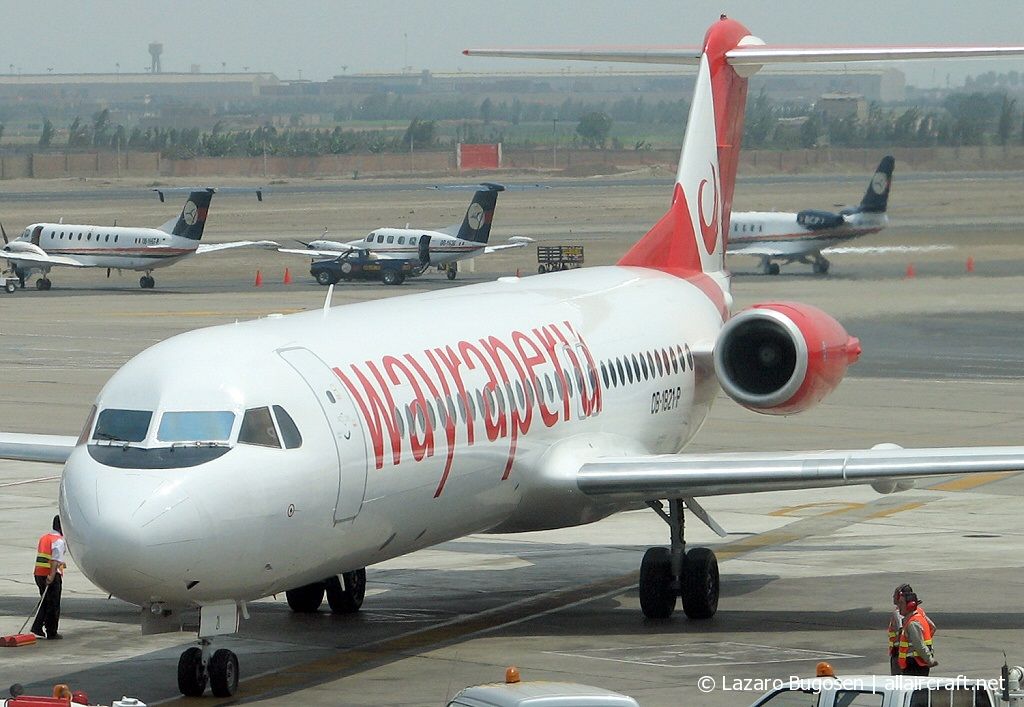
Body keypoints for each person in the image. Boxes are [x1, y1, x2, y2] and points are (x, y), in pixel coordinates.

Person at [30, 515, 65, 640]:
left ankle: (37, 626)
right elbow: (55, 560)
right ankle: (51, 631)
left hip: (39, 573)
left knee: (45, 602)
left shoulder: (45, 538)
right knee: (53, 604)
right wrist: (52, 575)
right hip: (51, 575)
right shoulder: (59, 541)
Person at [897, 591, 937, 676]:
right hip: (916, 664)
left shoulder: (913, 623)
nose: (898, 606)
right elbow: (933, 628)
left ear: (910, 605)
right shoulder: (917, 619)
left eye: (901, 603)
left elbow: (919, 645)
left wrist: (929, 660)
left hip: (914, 665)